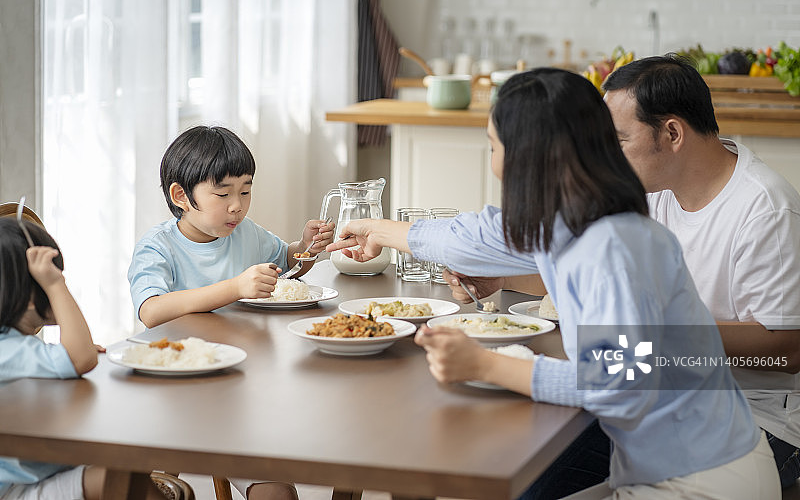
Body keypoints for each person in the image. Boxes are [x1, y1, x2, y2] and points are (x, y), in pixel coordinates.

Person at [327, 68, 780, 499]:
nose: (493, 162)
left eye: (493, 147)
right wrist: (376, 230)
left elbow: (620, 385)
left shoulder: (611, 246)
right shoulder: (574, 218)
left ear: (526, 157)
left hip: (703, 480)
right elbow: (470, 236)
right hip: (665, 467)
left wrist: (484, 365)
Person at [448, 55, 800, 493]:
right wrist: (503, 281)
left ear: (672, 133)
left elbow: (787, 350)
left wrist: (655, 334)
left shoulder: (765, 208)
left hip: (760, 420)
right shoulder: (651, 190)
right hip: (657, 393)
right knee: (528, 470)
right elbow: (601, 279)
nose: (606, 154)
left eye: (618, 139)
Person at [127, 125, 329, 500]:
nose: (237, 205)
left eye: (245, 191)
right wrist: (234, 287)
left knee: (277, 493)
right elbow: (151, 311)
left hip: (238, 391)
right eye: (223, 194)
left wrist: (305, 247)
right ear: (181, 196)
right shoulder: (158, 247)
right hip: (173, 394)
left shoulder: (244, 232)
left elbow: (286, 262)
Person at [0, 217, 185, 500]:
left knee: (129, 466)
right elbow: (80, 358)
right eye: (54, 280)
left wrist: (72, 354)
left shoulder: (14, 345)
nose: (62, 289)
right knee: (117, 474)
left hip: (42, 468)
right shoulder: (7, 351)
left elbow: (73, 358)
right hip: (17, 489)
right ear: (30, 297)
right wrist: (56, 287)